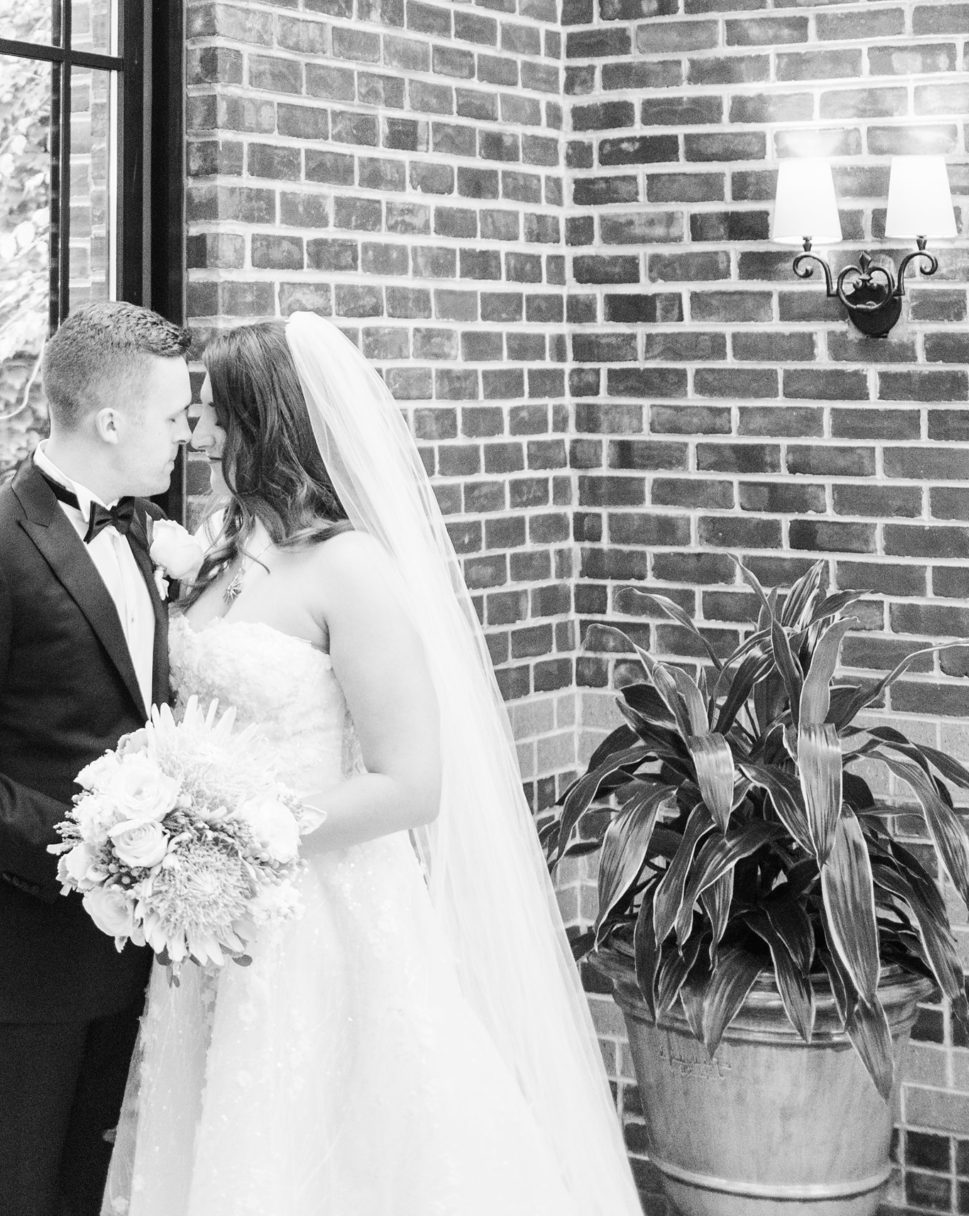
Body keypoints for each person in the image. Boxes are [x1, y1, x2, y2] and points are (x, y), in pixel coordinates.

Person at [102, 314, 644, 1216]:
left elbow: (409, 783)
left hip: (324, 912)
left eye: (212, 414)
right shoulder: (218, 548)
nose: (196, 433)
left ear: (266, 421)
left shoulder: (351, 570)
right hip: (212, 912)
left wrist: (236, 842)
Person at [0, 299, 194, 1216]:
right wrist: (92, 847)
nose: (186, 437)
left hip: (120, 954)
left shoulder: (135, 531)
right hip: (12, 965)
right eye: (175, 417)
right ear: (111, 421)